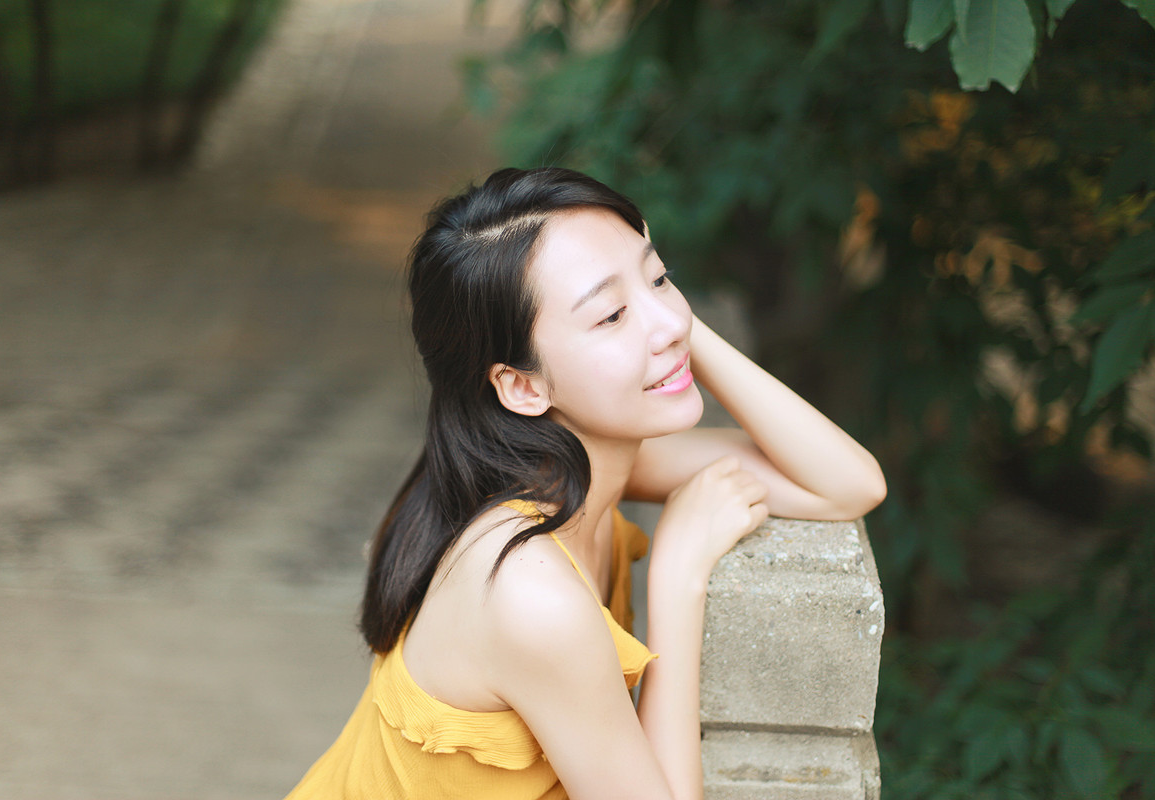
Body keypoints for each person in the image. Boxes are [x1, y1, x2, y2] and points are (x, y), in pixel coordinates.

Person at [284, 167, 886, 800]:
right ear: (522, 385)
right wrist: (677, 577)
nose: (667, 322)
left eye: (662, 276)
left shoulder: (572, 465)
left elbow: (848, 484)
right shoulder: (526, 590)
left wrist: (659, 316)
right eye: (611, 316)